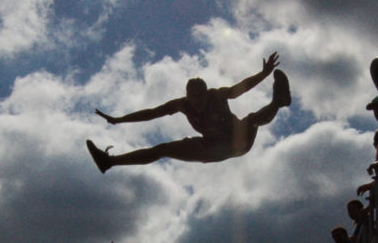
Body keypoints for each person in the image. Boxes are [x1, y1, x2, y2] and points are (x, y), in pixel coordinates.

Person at [87, 54, 290, 173]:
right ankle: (109, 162)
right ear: (187, 96)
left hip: (238, 140)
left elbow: (242, 87)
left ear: (206, 92)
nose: (198, 101)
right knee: (162, 149)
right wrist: (118, 120)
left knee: (252, 119)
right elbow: (151, 113)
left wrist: (263, 73)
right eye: (193, 96)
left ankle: (278, 102)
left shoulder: (218, 96)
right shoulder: (181, 105)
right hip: (211, 148)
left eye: (201, 95)